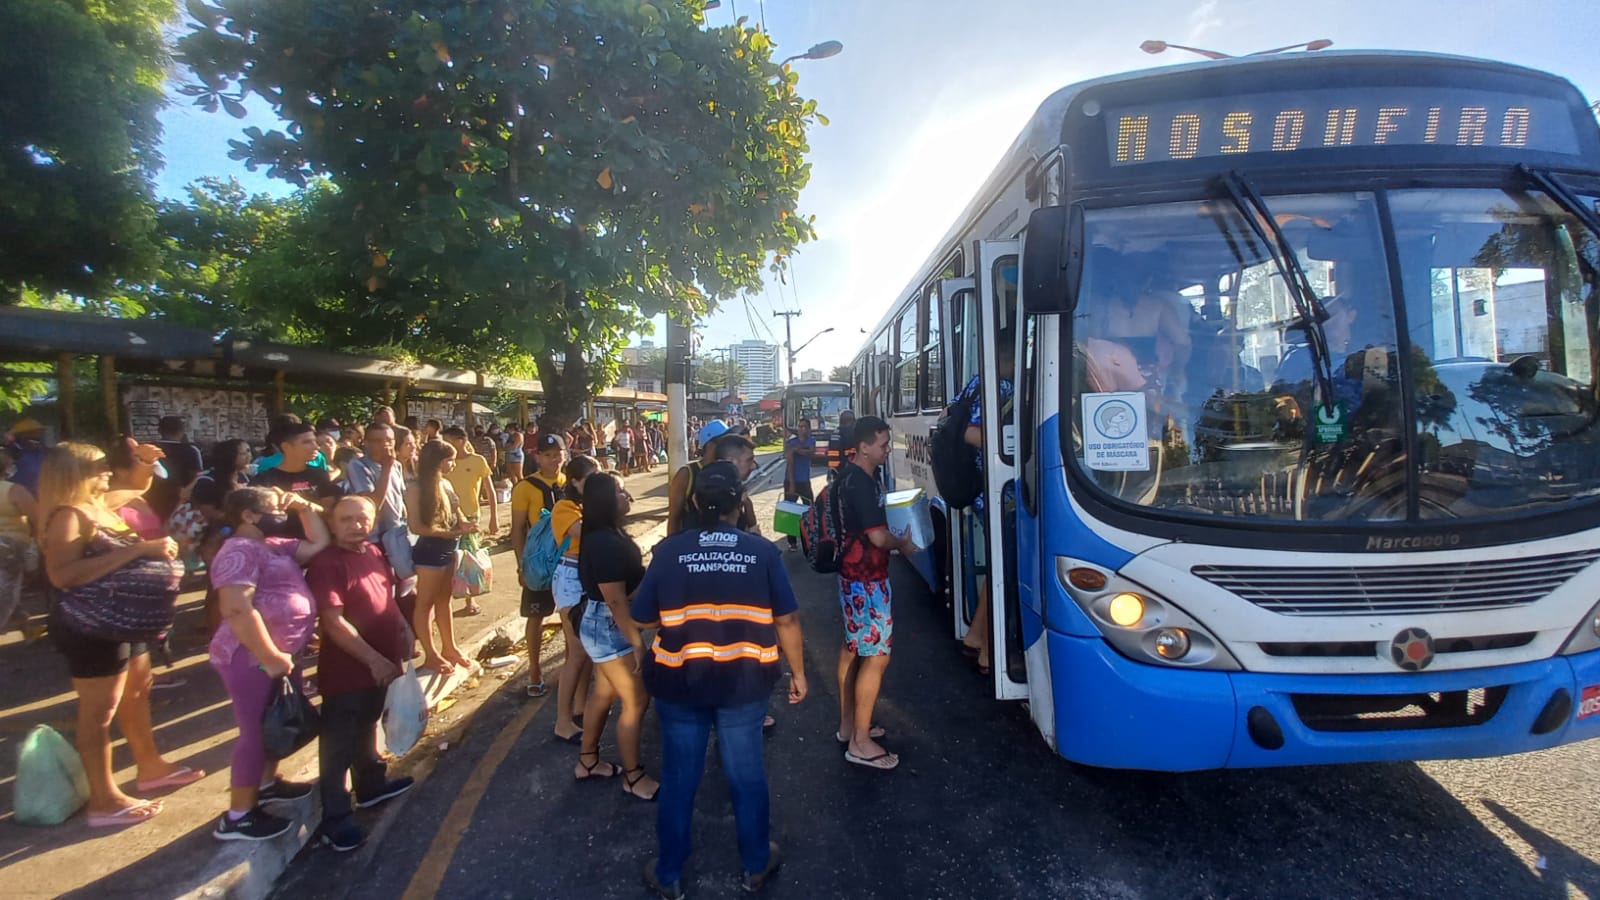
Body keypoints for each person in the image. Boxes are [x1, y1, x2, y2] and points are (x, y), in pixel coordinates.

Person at [633, 462, 807, 898]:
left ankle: (669, 873)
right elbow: (785, 618)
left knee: (679, 778)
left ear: (694, 503)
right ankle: (755, 863)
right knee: (746, 775)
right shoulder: (762, 552)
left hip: (679, 684)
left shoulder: (668, 552)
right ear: (740, 503)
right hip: (743, 684)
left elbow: (644, 617)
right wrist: (799, 673)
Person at [40, 442, 199, 828]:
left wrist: (147, 462)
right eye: (98, 468)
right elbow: (62, 575)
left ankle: (150, 766)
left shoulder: (101, 504)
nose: (107, 473)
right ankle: (104, 799)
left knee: (138, 691)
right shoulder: (69, 516)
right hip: (92, 624)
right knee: (99, 713)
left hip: (125, 621)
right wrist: (140, 550)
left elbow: (142, 488)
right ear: (75, 474)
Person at [209, 486, 327, 840]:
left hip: (280, 655)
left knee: (273, 722)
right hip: (251, 657)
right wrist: (269, 655)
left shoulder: (272, 546)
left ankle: (266, 783)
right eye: (275, 508)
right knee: (254, 732)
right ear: (248, 515)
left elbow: (318, 543)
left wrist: (305, 507)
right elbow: (236, 607)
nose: (282, 513)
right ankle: (239, 815)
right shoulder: (239, 551)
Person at [306, 496, 414, 852]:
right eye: (346, 519)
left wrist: (404, 630)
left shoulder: (372, 551)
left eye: (362, 518)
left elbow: (386, 597)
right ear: (332, 523)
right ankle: (335, 819)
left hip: (382, 663)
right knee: (337, 745)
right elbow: (333, 624)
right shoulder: (326, 564)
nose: (355, 524)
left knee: (367, 724)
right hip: (348, 670)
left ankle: (370, 785)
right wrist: (372, 659)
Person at [834, 416, 917, 771]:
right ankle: (861, 742)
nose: (886, 451)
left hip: (850, 577)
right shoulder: (862, 484)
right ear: (864, 446)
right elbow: (879, 538)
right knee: (877, 656)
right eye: (883, 444)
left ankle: (849, 725)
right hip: (867, 580)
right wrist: (904, 543)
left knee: (854, 648)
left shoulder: (845, 476)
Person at [573, 472, 657, 800]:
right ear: (606, 500)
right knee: (636, 700)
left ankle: (588, 760)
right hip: (609, 626)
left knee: (603, 695)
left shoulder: (607, 534)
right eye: (621, 492)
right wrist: (637, 645)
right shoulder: (604, 543)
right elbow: (616, 600)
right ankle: (633, 777)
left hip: (606, 623)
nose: (628, 497)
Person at [958, 337, 1015, 676]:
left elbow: (950, 414)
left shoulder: (975, 382)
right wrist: (1016, 448)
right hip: (997, 492)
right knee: (1005, 573)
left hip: (980, 490)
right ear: (1005, 358)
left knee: (999, 568)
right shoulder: (1001, 385)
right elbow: (970, 433)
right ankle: (989, 656)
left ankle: (976, 637)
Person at [405, 440, 476, 675]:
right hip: (430, 551)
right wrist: (453, 532)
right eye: (449, 460)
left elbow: (458, 515)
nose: (453, 464)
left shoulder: (445, 484)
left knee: (444, 600)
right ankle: (431, 654)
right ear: (436, 462)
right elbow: (416, 527)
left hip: (449, 546)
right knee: (425, 603)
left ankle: (450, 647)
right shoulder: (416, 488)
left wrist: (466, 526)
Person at [511, 431, 566, 697]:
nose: (554, 461)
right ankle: (534, 669)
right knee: (536, 617)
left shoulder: (570, 482)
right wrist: (521, 565)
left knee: (570, 616)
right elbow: (518, 529)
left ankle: (571, 666)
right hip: (538, 563)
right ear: (537, 457)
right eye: (548, 456)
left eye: (558, 455)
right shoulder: (525, 487)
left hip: (567, 560)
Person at [549, 454, 600, 743]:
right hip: (570, 579)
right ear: (575, 482)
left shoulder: (584, 506)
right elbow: (584, 532)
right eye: (590, 480)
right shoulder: (565, 507)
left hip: (586, 575)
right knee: (577, 651)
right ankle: (562, 720)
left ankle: (581, 706)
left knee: (586, 649)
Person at [441, 426, 500, 616]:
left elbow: (490, 491)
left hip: (471, 517)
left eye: (448, 440)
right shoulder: (444, 463)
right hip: (446, 517)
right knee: (447, 560)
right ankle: (445, 603)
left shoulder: (477, 461)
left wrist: (494, 518)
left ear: (459, 441)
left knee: (468, 560)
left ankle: (469, 599)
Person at [251, 421, 340, 538]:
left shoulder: (319, 475)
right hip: (278, 544)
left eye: (315, 441)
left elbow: (330, 513)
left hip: (317, 541)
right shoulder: (265, 480)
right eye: (307, 442)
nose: (316, 447)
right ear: (286, 447)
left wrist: (303, 505)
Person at [0, 449, 40, 634]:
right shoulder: (14, 490)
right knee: (8, 593)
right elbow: (37, 517)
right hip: (10, 549)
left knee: (9, 593)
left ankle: (26, 627)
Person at [667, 420, 726, 535]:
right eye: (725, 443)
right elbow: (674, 517)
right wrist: (671, 546)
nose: (730, 447)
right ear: (711, 445)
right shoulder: (687, 474)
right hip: (692, 544)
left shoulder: (729, 472)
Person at [149, 416, 203, 521]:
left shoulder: (149, 448)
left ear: (159, 431)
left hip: (152, 497)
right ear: (181, 431)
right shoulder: (190, 450)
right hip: (180, 500)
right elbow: (197, 477)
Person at [782, 417, 818, 550]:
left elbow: (812, 451)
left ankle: (810, 538)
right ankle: (792, 542)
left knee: (810, 509)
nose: (802, 429)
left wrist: (798, 450)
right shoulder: (791, 442)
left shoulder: (811, 440)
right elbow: (790, 462)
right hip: (791, 480)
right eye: (800, 426)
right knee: (790, 511)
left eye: (804, 427)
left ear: (808, 429)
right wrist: (792, 484)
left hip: (804, 481)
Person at [3, 417, 48, 494]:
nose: (36, 436)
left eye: (39, 432)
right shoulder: (10, 453)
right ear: (20, 435)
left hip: (43, 497)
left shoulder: (44, 452)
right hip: (15, 498)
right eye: (31, 433)